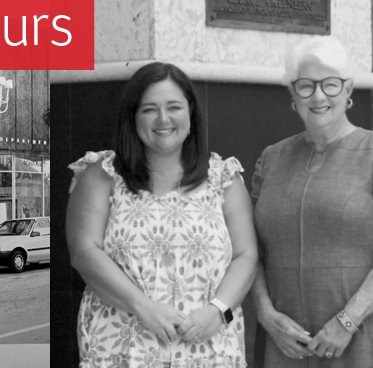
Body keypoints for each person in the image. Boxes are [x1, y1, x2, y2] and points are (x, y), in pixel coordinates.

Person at [67, 62, 259, 367]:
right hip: (122, 344)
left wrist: (218, 310)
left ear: (191, 113)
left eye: (174, 107)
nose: (163, 119)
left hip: (208, 343)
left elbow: (246, 255)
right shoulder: (102, 175)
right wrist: (143, 307)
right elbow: (83, 252)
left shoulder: (224, 178)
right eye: (149, 109)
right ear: (132, 116)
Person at [250, 36, 373, 367]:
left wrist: (346, 322)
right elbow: (249, 249)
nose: (318, 96)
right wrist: (266, 314)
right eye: (306, 85)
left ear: (348, 90)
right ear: (292, 94)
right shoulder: (271, 158)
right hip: (284, 340)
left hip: (356, 337)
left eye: (330, 84)